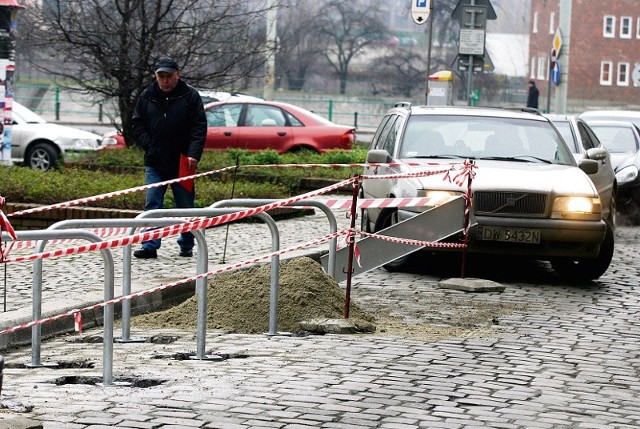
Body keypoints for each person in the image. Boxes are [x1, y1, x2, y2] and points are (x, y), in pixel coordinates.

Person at [131, 57, 207, 259]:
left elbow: (199, 127)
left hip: (183, 160)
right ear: (156, 76)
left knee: (185, 205)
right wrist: (149, 146)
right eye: (161, 77)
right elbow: (137, 124)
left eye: (169, 76)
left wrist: (193, 154)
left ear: (177, 75)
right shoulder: (147, 96)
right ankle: (149, 244)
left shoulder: (190, 96)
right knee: (153, 203)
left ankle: (187, 243)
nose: (165, 81)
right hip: (155, 161)